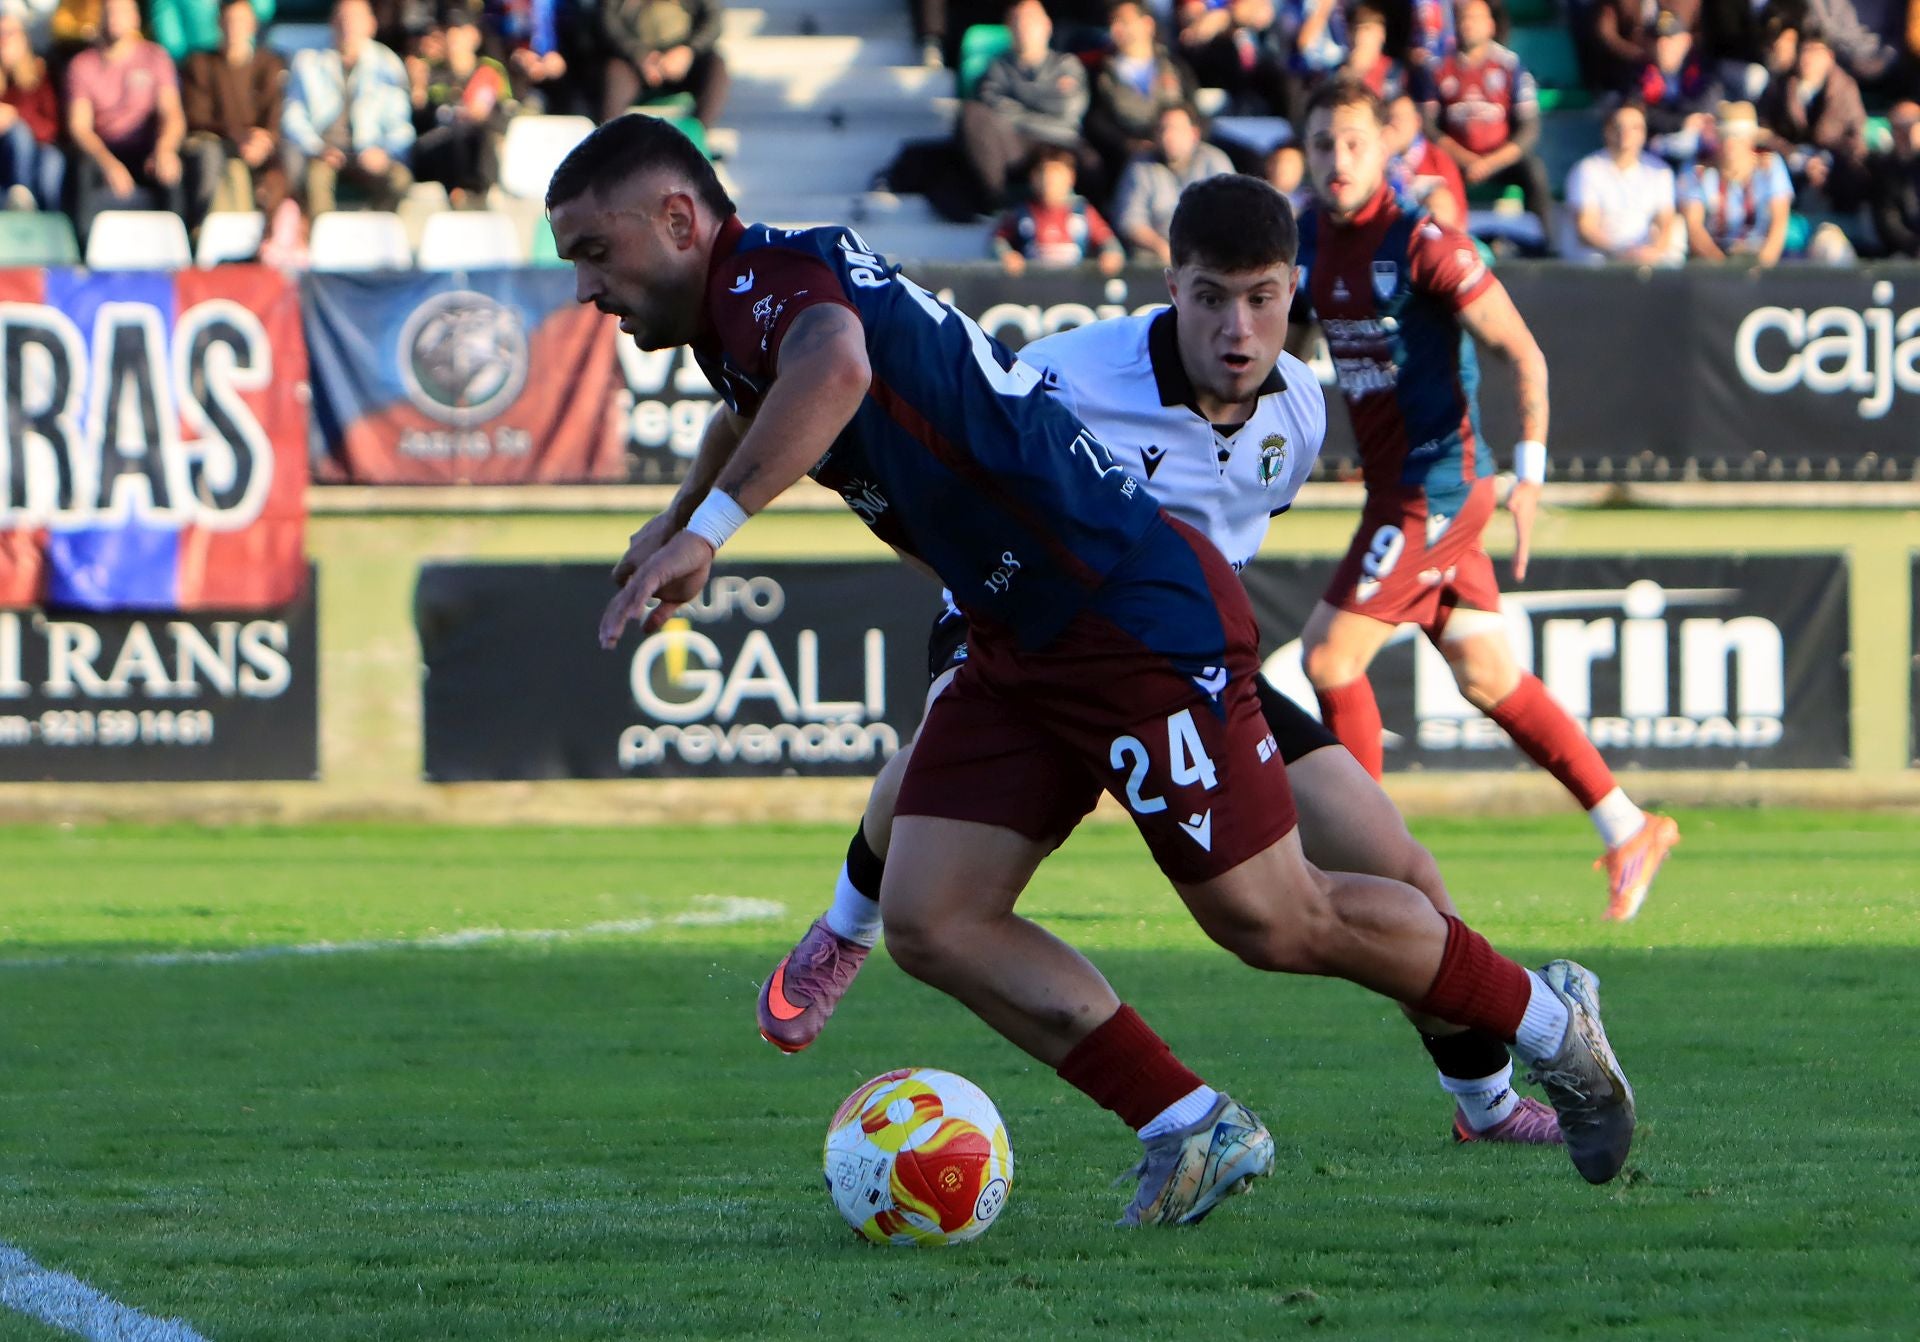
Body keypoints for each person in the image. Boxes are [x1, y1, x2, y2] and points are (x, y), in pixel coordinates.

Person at [551, 113, 1639, 1222]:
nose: (586, 288)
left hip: (1120, 606)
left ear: (680, 220)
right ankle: (1190, 1124)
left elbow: (832, 366)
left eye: (595, 252)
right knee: (933, 915)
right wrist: (679, 513)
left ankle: (1550, 1024)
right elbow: (760, 391)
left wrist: (711, 531)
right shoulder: (750, 299)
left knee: (1271, 918)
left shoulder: (775, 283)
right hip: (1017, 623)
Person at [757, 170, 1567, 1151]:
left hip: (1183, 658)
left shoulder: (1301, 409)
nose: (1238, 325)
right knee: (932, 757)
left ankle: (1483, 1103)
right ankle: (845, 930)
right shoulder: (1065, 375)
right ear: (1170, 286)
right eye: (1211, 296)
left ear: (1291, 290)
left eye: (1262, 297)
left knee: (1395, 863)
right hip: (1022, 621)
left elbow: (1228, 540)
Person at [1290, 78, 1681, 919]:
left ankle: (1370, 866)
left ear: (1387, 147)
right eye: (1323, 143)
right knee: (1488, 674)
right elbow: (1284, 348)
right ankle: (1626, 823)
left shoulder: (1426, 242)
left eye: (1354, 141)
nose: (1339, 159)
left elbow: (1525, 354)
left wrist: (1529, 477)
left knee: (1329, 659)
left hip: (1439, 487)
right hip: (1396, 491)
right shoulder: (1306, 240)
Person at [1421, 0, 1553, 241]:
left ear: (1490, 25)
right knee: (1428, 176)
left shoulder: (1510, 66)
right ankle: (1438, 246)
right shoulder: (1438, 67)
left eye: (1475, 18)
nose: (1468, 24)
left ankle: (1546, 244)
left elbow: (1529, 130)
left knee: (1534, 171)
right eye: (1463, 18)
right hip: (1457, 159)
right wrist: (1466, 159)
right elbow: (1429, 127)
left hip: (1500, 159)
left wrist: (1490, 163)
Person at [64, 0, 187, 241]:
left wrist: (164, 150)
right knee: (81, 170)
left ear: (136, 18)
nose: (114, 19)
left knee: (171, 168)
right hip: (102, 149)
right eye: (109, 12)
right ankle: (81, 252)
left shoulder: (155, 57)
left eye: (122, 12)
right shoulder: (82, 65)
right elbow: (79, 127)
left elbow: (172, 113)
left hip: (144, 147)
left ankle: (179, 251)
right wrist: (108, 164)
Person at [960, 0, 1098, 212]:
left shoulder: (1067, 64)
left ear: (1047, 26)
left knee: (1093, 163)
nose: (1024, 28)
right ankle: (996, 201)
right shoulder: (997, 67)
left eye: (1031, 21)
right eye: (1017, 21)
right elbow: (991, 104)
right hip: (1015, 146)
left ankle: (1095, 221)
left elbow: (1069, 110)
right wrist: (1043, 104)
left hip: (1060, 143)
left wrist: (1019, 104)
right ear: (1008, 28)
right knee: (973, 115)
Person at [283, 0, 415, 214]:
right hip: (326, 152)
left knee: (399, 179)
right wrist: (317, 148)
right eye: (343, 18)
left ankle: (375, 233)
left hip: (370, 151)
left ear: (371, 25)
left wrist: (385, 152)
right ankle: (324, 241)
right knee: (316, 179)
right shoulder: (307, 61)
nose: (348, 26)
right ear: (332, 23)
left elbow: (401, 125)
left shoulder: (387, 64)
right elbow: (293, 118)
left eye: (355, 19)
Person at [181, 0, 289, 218]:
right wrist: (239, 137)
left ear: (253, 25)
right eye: (229, 21)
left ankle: (283, 233)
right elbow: (197, 116)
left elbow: (276, 109)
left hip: (259, 145)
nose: (234, 27)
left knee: (291, 158)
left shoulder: (270, 63)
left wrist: (265, 139)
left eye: (240, 21)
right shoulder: (200, 63)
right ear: (219, 23)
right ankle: (201, 226)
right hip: (218, 141)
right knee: (212, 158)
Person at [409, 0, 510, 203]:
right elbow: (419, 119)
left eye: (460, 31)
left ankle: (478, 195)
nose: (454, 39)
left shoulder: (488, 70)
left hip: (474, 151)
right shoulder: (429, 73)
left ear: (474, 35)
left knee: (478, 135)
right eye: (448, 32)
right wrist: (417, 88)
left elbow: (482, 113)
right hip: (437, 151)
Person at [1563, 97, 1683, 262]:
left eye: (1635, 128)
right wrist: (1621, 253)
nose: (1626, 134)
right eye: (1619, 127)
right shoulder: (1587, 170)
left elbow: (1666, 222)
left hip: (1645, 257)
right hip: (1603, 257)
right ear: (1607, 130)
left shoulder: (1660, 171)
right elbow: (1586, 227)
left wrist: (1654, 251)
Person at [1112, 100, 1232, 262]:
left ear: (1194, 133)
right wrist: (1161, 247)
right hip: (1157, 259)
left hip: (1209, 257)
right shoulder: (1140, 166)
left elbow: (1232, 215)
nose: (1168, 136)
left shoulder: (1215, 161)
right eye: (1162, 129)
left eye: (1176, 129)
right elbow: (1129, 220)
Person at [1679, 99, 1793, 264]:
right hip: (1712, 259)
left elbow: (1779, 223)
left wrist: (1762, 266)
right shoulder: (1698, 170)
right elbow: (1694, 227)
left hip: (1759, 253)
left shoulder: (1770, 166)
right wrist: (1723, 270)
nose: (1730, 144)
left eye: (1738, 137)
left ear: (1751, 140)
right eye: (1724, 136)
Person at [991, 143, 1125, 275]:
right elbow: (999, 240)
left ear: (1070, 177)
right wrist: (1007, 255)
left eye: (1056, 174)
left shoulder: (1082, 212)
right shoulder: (1022, 213)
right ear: (1032, 178)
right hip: (1033, 289)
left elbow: (1109, 242)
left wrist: (1111, 255)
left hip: (1073, 289)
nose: (1049, 181)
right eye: (1043, 174)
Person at [596, 0, 728, 127]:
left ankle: (697, 136)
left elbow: (713, 19)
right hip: (633, 61)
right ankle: (610, 138)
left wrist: (688, 51)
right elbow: (608, 22)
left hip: (684, 60)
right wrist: (639, 55)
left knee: (715, 66)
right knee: (613, 73)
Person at [0, 6, 63, 211]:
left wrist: (13, 116)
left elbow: (50, 127)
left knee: (50, 161)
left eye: (10, 33)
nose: (4, 39)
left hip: (36, 151)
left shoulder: (39, 74)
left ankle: (23, 194)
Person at [1866, 98, 1920, 254]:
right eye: (1897, 128)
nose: (1904, 134)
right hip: (1904, 252)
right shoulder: (1884, 170)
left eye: (1910, 125)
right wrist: (1914, 246)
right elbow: (1888, 218)